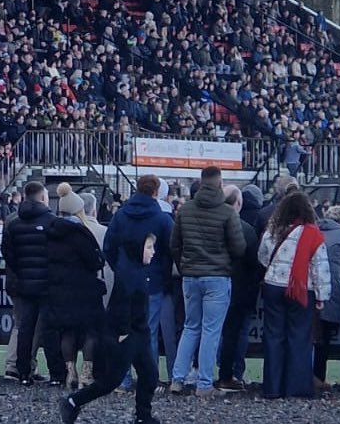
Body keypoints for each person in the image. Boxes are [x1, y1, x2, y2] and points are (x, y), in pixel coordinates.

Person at [58, 233, 159, 424]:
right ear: (139, 249)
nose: (153, 252)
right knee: (110, 381)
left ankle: (143, 416)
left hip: (139, 332)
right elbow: (120, 305)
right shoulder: (128, 274)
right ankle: (73, 401)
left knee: (149, 375)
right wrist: (122, 332)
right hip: (126, 334)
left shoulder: (137, 271)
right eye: (149, 247)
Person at [169, 166, 245, 397]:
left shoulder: (185, 210)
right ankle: (204, 384)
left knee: (190, 327)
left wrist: (184, 266)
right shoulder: (227, 212)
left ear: (201, 183)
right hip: (217, 276)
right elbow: (239, 248)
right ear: (220, 184)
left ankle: (177, 379)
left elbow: (174, 244)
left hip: (190, 275)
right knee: (211, 330)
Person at [257, 191, 331, 399]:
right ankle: (296, 386)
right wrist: (322, 296)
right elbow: (320, 267)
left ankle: (273, 386)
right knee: (299, 337)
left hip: (273, 285)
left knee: (273, 336)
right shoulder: (313, 233)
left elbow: (262, 257)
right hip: (301, 287)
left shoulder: (272, 230)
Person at [103, 175, 174, 391]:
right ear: (156, 192)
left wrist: (121, 268)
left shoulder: (121, 215)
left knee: (124, 330)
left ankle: (122, 379)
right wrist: (163, 274)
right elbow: (171, 250)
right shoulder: (162, 219)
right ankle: (148, 379)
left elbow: (109, 246)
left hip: (125, 279)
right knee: (148, 332)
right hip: (152, 280)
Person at [2, 180, 64, 385]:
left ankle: (23, 372)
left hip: (25, 283)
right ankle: (56, 374)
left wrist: (21, 271)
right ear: (43, 197)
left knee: (25, 328)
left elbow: (7, 253)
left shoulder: (13, 223)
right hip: (48, 283)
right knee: (50, 329)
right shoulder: (52, 222)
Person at [46, 187, 106, 389]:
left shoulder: (51, 232)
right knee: (91, 331)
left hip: (58, 289)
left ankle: (70, 372)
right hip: (84, 289)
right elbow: (94, 261)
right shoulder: (80, 233)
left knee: (67, 331)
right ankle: (86, 374)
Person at [217, 184, 259, 391]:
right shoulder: (246, 230)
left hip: (216, 281)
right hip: (239, 287)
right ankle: (229, 374)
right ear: (239, 203)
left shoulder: (213, 225)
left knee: (208, 330)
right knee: (234, 333)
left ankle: (202, 373)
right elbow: (254, 262)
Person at [314, 204, 340, 390]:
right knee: (325, 337)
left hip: (313, 286)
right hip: (334, 288)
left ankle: (307, 375)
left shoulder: (315, 231)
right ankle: (319, 376)